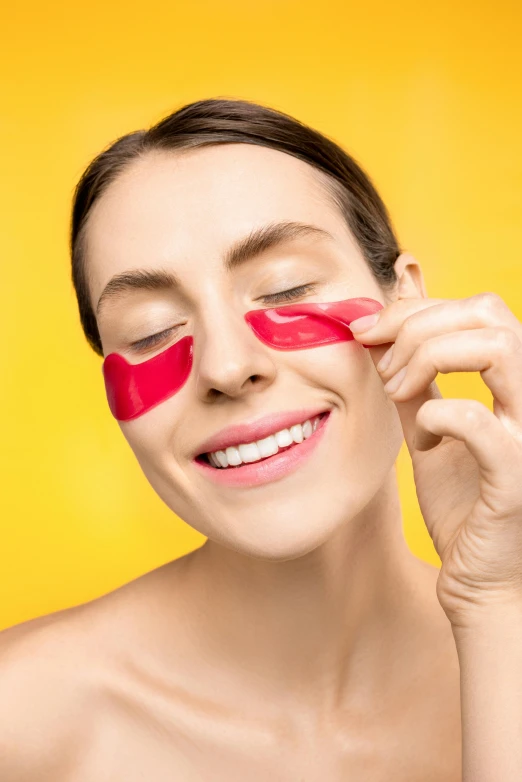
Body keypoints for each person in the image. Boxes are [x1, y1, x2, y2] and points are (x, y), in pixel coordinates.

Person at [1, 98, 521, 782]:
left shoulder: (508, 638)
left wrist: (499, 603)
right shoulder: (20, 720)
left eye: (286, 287)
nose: (225, 365)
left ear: (407, 306)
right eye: (151, 331)